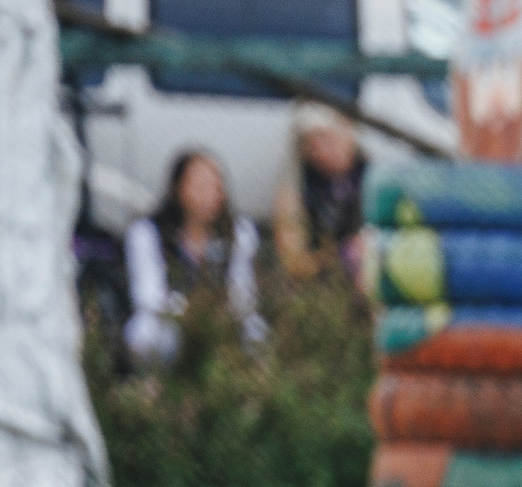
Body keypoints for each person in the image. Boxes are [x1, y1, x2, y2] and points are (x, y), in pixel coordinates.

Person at [124, 150, 265, 362]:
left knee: (257, 333)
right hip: (169, 318)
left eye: (216, 188)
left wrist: (219, 313)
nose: (209, 196)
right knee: (144, 333)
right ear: (178, 189)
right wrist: (189, 312)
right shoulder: (147, 232)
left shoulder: (240, 232)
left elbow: (243, 289)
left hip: (223, 317)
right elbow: (148, 295)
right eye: (200, 187)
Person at [272, 102, 367, 280]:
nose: (322, 149)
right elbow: (293, 258)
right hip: (322, 277)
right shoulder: (298, 184)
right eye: (312, 142)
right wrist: (338, 258)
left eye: (329, 138)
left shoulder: (371, 174)